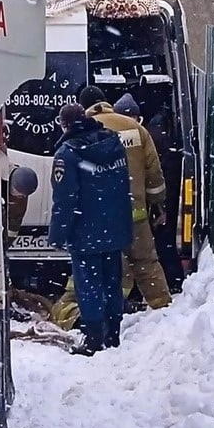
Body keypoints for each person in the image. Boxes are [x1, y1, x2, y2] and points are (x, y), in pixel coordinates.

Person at [47, 101, 133, 354]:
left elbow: (65, 199)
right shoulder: (113, 143)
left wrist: (57, 234)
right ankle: (113, 334)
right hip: (115, 227)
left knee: (89, 286)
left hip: (85, 231)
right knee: (112, 282)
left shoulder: (67, 154)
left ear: (64, 124)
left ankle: (94, 338)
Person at [83, 89, 172, 312]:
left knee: (107, 266)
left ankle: (113, 311)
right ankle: (163, 308)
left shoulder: (84, 128)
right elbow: (154, 173)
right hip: (135, 213)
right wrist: (156, 203)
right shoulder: (136, 129)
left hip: (99, 216)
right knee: (146, 263)